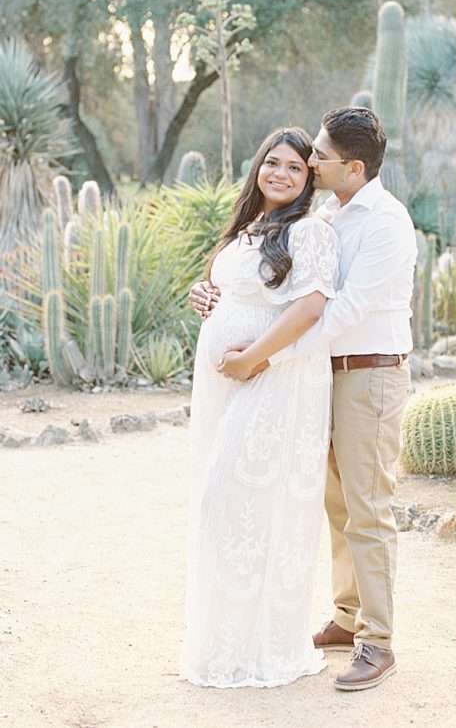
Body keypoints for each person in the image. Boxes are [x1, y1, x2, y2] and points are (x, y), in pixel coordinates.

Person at [190, 107, 417, 692]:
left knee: (368, 508)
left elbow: (342, 310)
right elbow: (280, 287)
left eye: (319, 156)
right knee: (336, 504)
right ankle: (347, 616)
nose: (310, 163)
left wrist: (265, 355)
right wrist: (227, 303)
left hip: (370, 372)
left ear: (355, 166)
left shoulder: (387, 222)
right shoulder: (331, 214)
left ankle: (378, 641)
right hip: (325, 373)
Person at [179, 126, 340, 689]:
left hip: (274, 380)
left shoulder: (309, 230)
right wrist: (204, 296)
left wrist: (254, 360)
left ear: (307, 180)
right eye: (273, 162)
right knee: (222, 505)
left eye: (295, 168)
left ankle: (262, 647)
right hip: (227, 382)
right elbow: (235, 290)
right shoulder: (248, 226)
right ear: (258, 167)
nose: (281, 174)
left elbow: (311, 307)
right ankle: (225, 643)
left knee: (240, 500)